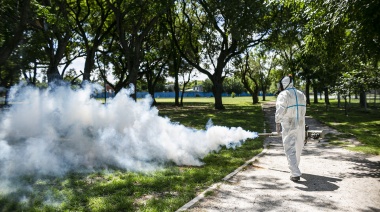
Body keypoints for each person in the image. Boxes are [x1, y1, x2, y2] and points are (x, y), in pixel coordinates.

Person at [275, 75, 306, 182]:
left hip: (289, 123)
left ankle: (295, 173)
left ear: (284, 84)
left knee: (289, 147)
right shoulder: (301, 93)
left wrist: (277, 122)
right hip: (301, 123)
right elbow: (304, 110)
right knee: (298, 146)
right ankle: (295, 167)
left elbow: (280, 109)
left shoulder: (283, 94)